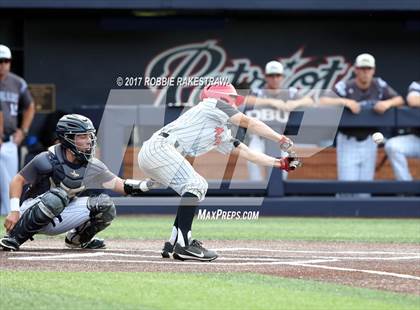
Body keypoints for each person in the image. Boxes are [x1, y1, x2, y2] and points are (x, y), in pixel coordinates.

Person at [138, 83, 301, 261]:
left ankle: (174, 240)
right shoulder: (213, 104)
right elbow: (250, 123)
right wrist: (281, 138)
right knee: (197, 184)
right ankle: (184, 245)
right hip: (160, 148)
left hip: (158, 153)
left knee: (193, 189)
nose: (235, 102)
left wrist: (279, 163)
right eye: (232, 98)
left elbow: (247, 153)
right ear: (220, 96)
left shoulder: (220, 129)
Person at [0, 114, 154, 251]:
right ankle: (15, 237)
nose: (88, 141)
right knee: (57, 196)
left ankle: (77, 240)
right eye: (82, 136)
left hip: (62, 212)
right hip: (33, 209)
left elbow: (122, 186)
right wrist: (14, 211)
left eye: (89, 136)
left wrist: (148, 184)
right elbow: (17, 180)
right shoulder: (47, 159)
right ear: (67, 138)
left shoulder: (93, 166)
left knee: (105, 205)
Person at [319, 53, 403, 191]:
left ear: (373, 70)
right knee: (346, 186)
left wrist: (387, 103)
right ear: (356, 69)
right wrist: (345, 101)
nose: (365, 72)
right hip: (348, 140)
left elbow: (399, 99)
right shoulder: (346, 85)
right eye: (362, 68)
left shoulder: (379, 85)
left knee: (366, 186)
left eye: (368, 68)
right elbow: (323, 101)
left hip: (370, 140)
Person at [243, 60, 313, 181]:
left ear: (282, 76)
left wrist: (295, 103)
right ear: (266, 77)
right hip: (260, 138)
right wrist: (270, 101)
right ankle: (256, 193)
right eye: (271, 76)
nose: (275, 79)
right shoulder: (258, 92)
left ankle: (278, 196)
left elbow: (310, 101)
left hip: (281, 139)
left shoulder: (290, 93)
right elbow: (244, 100)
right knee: (252, 161)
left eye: (277, 75)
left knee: (284, 167)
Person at [0, 44, 36, 215]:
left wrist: (23, 130)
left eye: (5, 61)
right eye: (0, 61)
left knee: (10, 182)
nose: (2, 64)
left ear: (10, 62)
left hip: (8, 140)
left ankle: (8, 218)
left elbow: (30, 106)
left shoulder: (17, 82)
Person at [385, 81, 420, 180]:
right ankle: (407, 189)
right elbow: (412, 100)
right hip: (418, 139)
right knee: (393, 146)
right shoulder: (417, 84)